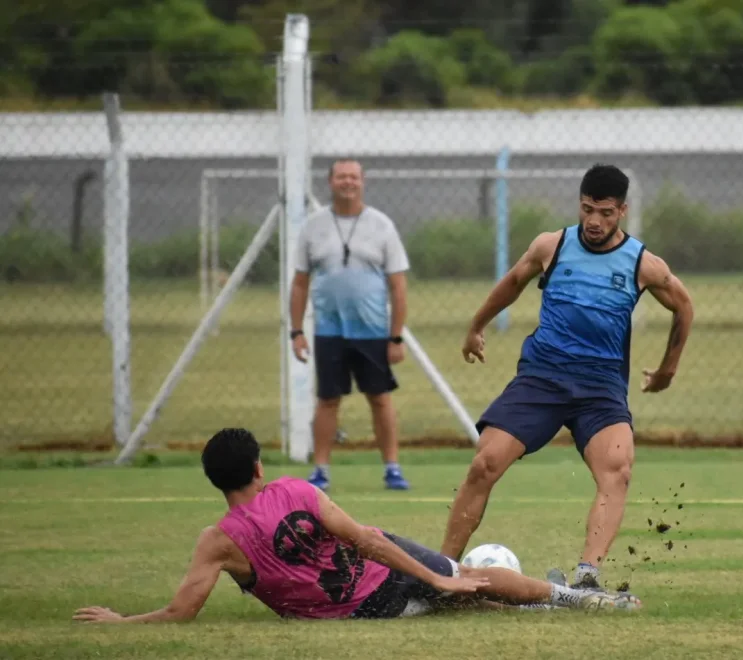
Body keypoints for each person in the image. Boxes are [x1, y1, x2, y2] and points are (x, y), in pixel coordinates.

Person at [72, 428, 640, 625]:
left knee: (461, 598)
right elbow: (366, 540)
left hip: (358, 612)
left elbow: (180, 613)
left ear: (214, 480)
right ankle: (575, 598)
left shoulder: (216, 542)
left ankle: (541, 605)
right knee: (462, 579)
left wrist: (122, 622)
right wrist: (435, 575)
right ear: (257, 468)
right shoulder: (295, 490)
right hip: (381, 579)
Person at [439, 164, 694, 592]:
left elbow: (684, 305)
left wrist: (668, 368)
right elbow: (513, 282)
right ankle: (441, 573)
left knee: (618, 470)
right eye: (587, 209)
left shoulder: (643, 264)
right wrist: (475, 326)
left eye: (605, 213)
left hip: (600, 387)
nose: (594, 221)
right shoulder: (551, 246)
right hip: (542, 377)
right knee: (485, 462)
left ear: (622, 212)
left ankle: (588, 577)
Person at [289, 158, 410, 491]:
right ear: (330, 181)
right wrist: (296, 332)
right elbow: (300, 283)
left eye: (353, 177)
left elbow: (398, 286)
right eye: (341, 176)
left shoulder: (382, 226)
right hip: (329, 331)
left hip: (372, 331)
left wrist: (396, 337)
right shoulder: (313, 227)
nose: (348, 182)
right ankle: (320, 471)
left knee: (380, 398)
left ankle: (392, 468)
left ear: (362, 181)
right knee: (328, 399)